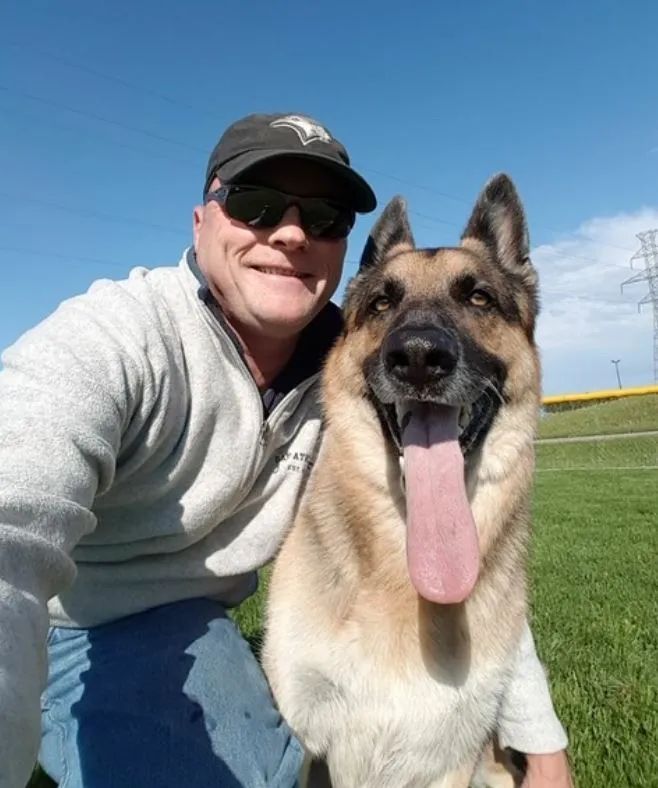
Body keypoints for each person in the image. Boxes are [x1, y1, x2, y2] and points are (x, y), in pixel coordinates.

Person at [0, 112, 572, 788]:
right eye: (255, 203)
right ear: (199, 222)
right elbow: (15, 511)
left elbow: (475, 535)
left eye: (324, 215)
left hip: (193, 621)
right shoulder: (118, 340)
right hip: (75, 630)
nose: (292, 231)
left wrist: (541, 742)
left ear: (339, 250)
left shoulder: (339, 359)